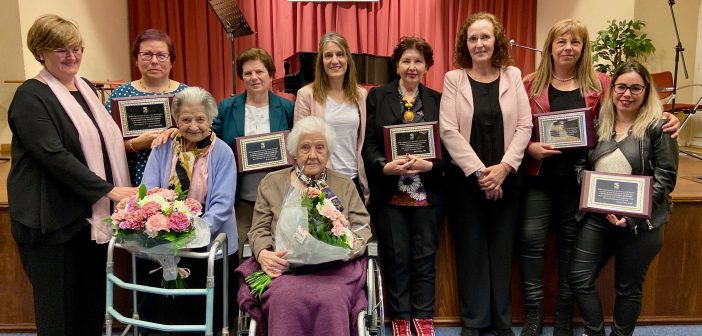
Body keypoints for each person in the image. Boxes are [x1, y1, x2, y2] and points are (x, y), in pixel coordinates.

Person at [519, 19, 680, 336]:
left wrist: (667, 116)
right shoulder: (528, 84)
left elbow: (632, 107)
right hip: (542, 178)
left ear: (584, 48)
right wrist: (528, 147)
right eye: (561, 41)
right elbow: (514, 128)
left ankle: (564, 318)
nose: (568, 47)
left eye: (575, 42)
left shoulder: (601, 83)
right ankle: (535, 316)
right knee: (531, 243)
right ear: (549, 46)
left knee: (570, 251)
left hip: (580, 187)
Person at [7, 14, 136, 335]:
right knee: (59, 317)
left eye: (77, 47)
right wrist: (110, 191)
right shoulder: (30, 96)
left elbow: (102, 146)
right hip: (50, 223)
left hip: (90, 222)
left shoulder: (87, 88)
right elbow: (53, 156)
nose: (73, 55)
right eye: (61, 49)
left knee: (90, 308)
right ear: (40, 51)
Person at [439, 12, 532, 336]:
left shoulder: (513, 75)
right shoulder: (454, 79)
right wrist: (482, 173)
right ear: (466, 44)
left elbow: (525, 125)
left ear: (497, 41)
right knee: (471, 250)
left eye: (485, 37)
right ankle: (474, 321)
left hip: (508, 179)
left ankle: (501, 321)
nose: (479, 43)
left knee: (502, 251)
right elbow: (449, 131)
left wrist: (504, 168)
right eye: (473, 38)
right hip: (467, 181)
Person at [569, 61, 678, 336]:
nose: (626, 94)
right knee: (579, 277)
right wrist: (592, 189)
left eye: (635, 88)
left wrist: (631, 215)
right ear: (612, 89)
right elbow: (580, 166)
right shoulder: (598, 124)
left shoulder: (659, 127)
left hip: (642, 224)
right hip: (598, 217)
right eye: (621, 87)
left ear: (646, 91)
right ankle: (594, 332)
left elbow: (666, 177)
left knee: (628, 288)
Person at [238, 116, 373, 336]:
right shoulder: (272, 183)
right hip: (286, 270)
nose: (312, 155)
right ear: (293, 152)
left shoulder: (344, 184)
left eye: (320, 147)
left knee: (332, 299)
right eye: (305, 148)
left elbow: (362, 227)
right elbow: (259, 228)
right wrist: (263, 253)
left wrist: (348, 248)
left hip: (335, 269)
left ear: (328, 152)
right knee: (283, 297)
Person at [362, 36, 444, 336]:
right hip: (391, 193)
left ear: (426, 66)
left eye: (418, 61)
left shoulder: (438, 99)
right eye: (406, 61)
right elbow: (369, 142)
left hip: (426, 192)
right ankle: (400, 318)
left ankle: (423, 318)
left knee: (424, 258)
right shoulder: (378, 96)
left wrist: (431, 165)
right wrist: (383, 166)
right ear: (396, 65)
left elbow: (446, 148)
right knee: (395, 259)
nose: (412, 67)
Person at [140, 87, 238, 335]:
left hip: (209, 243)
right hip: (165, 241)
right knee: (168, 316)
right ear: (176, 120)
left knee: (206, 318)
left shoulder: (223, 152)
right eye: (186, 119)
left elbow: (222, 205)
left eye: (200, 119)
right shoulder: (162, 148)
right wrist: (164, 229)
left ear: (211, 119)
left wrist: (191, 236)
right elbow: (149, 190)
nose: (193, 126)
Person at [213, 48, 294, 256]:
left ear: (271, 74)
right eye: (248, 73)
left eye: (259, 72)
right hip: (241, 198)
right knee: (237, 253)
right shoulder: (227, 107)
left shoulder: (286, 107)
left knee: (279, 252)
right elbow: (213, 141)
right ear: (241, 77)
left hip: (279, 198)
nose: (254, 77)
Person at [105, 28, 187, 185]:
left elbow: (206, 138)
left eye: (161, 55)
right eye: (147, 55)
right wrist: (134, 145)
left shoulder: (187, 94)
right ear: (136, 60)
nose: (154, 61)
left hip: (179, 175)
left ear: (171, 61)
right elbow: (103, 143)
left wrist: (181, 135)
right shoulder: (120, 95)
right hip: (132, 176)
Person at [294, 32, 369, 203]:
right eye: (328, 55)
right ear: (321, 62)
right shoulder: (306, 95)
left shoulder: (360, 94)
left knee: (356, 229)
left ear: (347, 58)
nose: (335, 60)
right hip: (319, 181)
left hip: (353, 179)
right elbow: (299, 145)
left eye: (340, 54)